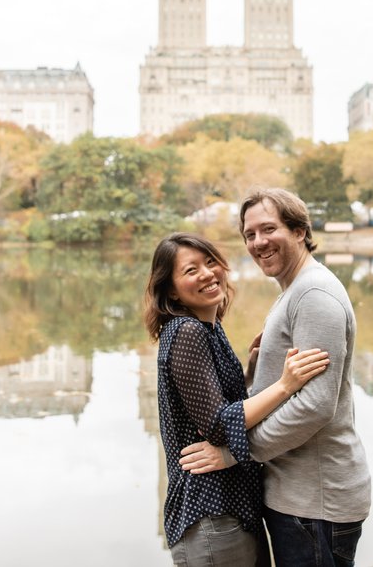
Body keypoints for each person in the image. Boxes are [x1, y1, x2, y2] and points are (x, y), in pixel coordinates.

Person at [179, 188, 371, 567]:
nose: (258, 242)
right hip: (298, 497)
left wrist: (234, 451)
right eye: (249, 234)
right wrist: (257, 368)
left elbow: (315, 407)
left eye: (269, 229)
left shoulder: (314, 294)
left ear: (299, 230)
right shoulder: (294, 291)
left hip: (315, 502)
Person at [145, 232, 331, 567]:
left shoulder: (208, 327)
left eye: (210, 262)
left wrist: (250, 372)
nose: (207, 273)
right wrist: (285, 385)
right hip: (210, 512)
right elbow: (218, 425)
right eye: (191, 270)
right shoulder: (186, 332)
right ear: (171, 290)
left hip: (232, 509)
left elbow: (204, 404)